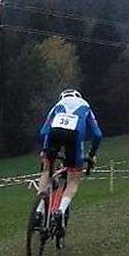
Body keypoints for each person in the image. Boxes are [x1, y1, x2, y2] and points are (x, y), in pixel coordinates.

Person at [36, 89, 103, 228]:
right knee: (73, 179)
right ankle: (60, 210)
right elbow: (97, 135)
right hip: (74, 138)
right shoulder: (85, 105)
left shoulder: (57, 105)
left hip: (54, 134)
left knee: (46, 171)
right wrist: (91, 155)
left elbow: (43, 132)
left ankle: (39, 211)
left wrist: (44, 150)